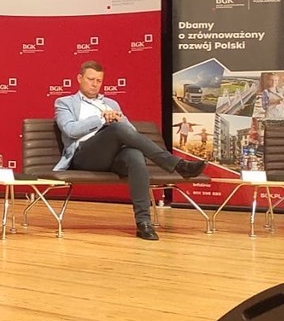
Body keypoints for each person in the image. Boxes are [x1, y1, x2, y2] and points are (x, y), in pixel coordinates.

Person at [53, 59, 206, 241]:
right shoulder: (65, 102)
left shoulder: (111, 103)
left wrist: (119, 120)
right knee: (117, 129)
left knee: (134, 155)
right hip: (85, 156)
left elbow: (131, 133)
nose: (95, 84)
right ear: (80, 78)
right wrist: (101, 119)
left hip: (112, 155)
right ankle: (177, 164)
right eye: (90, 79)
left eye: (99, 81)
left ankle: (144, 223)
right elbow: (70, 130)